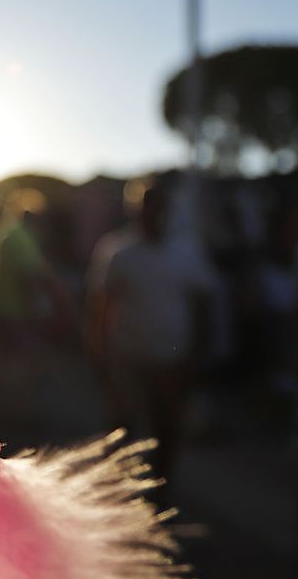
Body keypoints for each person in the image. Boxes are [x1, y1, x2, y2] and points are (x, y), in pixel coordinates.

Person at [86, 174, 216, 484]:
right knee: (123, 429)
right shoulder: (117, 252)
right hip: (128, 359)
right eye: (147, 206)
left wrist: (197, 357)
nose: (154, 213)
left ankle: (161, 489)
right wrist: (100, 356)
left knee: (167, 427)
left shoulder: (186, 251)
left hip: (171, 360)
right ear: (135, 210)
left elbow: (202, 305)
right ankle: (123, 491)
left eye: (160, 206)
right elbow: (101, 307)